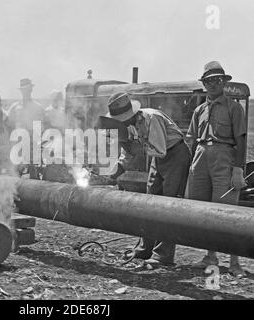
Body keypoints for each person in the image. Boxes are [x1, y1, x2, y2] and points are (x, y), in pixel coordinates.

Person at [105, 92, 192, 266]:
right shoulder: (129, 125)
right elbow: (128, 152)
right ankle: (146, 248)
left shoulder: (153, 118)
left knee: (168, 205)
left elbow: (159, 150)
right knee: (149, 201)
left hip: (175, 155)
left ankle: (163, 254)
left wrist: (133, 147)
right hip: (158, 159)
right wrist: (117, 170)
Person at [186, 61, 247, 276]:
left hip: (224, 158)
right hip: (201, 158)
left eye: (217, 80)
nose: (213, 84)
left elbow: (240, 140)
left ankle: (234, 262)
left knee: (227, 212)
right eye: (209, 81)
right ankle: (210, 256)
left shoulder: (234, 108)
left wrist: (238, 169)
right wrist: (191, 166)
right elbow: (192, 140)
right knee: (204, 210)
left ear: (223, 82)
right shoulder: (199, 110)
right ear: (204, 84)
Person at [7, 78, 44, 178]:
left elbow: (40, 126)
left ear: (31, 90)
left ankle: (34, 189)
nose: (25, 92)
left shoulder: (37, 107)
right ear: (21, 91)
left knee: (33, 168)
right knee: (16, 168)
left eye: (27, 89)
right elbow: (8, 123)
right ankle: (14, 190)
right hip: (18, 141)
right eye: (23, 90)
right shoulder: (15, 107)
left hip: (32, 141)